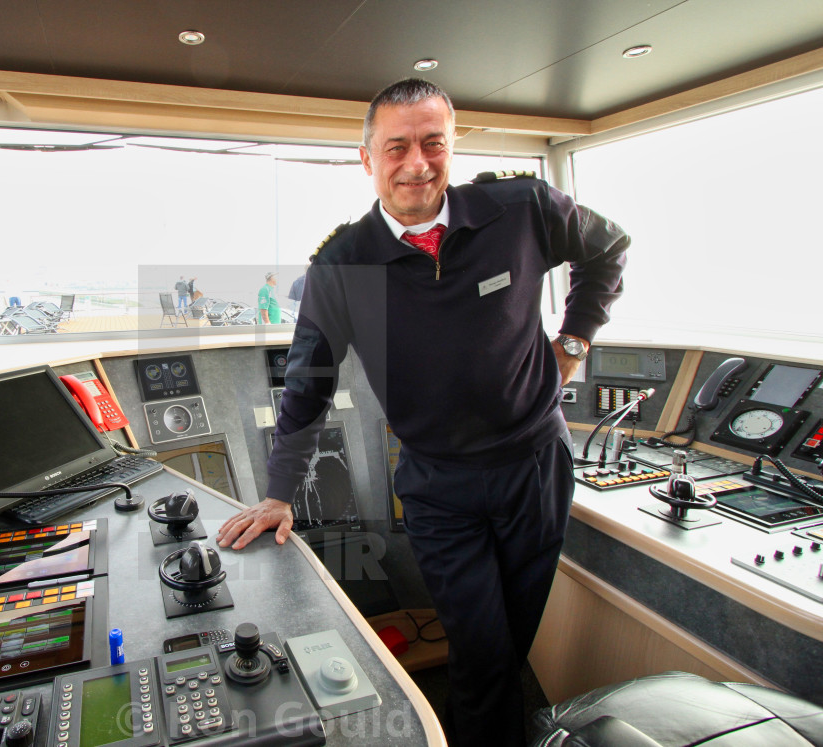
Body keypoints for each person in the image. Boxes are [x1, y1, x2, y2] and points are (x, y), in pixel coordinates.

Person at [216, 78, 628, 746]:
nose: (417, 163)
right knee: (481, 650)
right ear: (368, 158)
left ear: (452, 144)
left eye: (433, 143)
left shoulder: (520, 207)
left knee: (511, 643)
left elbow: (607, 251)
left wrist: (572, 344)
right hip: (440, 485)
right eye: (397, 147)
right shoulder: (342, 264)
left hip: (535, 467)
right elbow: (308, 382)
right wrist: (278, 493)